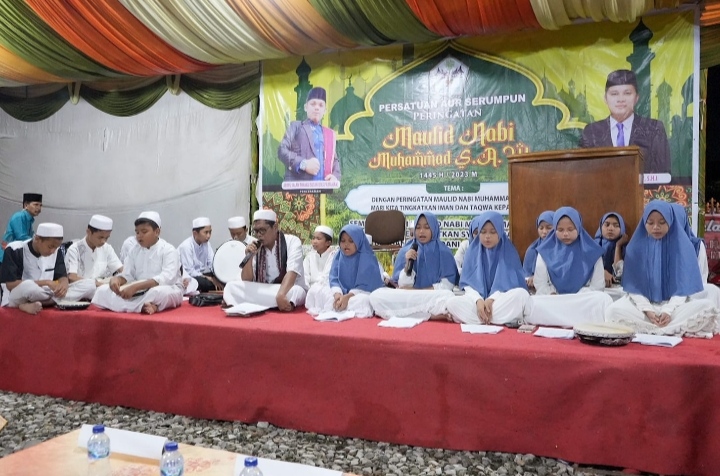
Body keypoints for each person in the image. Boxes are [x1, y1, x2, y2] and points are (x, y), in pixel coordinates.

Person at [605, 200, 717, 336]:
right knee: (613, 311)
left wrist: (668, 310)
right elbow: (634, 288)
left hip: (674, 308)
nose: (656, 227)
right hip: (643, 308)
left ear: (670, 221)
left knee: (707, 307)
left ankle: (653, 328)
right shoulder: (635, 248)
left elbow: (682, 289)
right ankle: (667, 328)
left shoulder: (683, 248)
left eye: (662, 222)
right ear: (644, 222)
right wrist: (648, 310)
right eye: (650, 223)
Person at [525, 207, 613, 327]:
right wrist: (552, 294)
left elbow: (598, 286)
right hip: (554, 301)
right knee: (532, 303)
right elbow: (540, 283)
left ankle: (558, 321)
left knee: (603, 299)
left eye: (570, 229)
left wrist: (577, 297)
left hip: (581, 301)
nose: (565, 234)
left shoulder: (592, 251)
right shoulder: (545, 251)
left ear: (578, 227)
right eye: (560, 230)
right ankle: (575, 320)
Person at [370, 211, 459, 321]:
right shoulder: (406, 250)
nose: (421, 231)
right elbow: (402, 286)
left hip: (431, 296)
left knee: (448, 296)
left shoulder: (444, 252)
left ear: (434, 229)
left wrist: (415, 290)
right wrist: (408, 263)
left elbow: (447, 286)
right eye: (418, 227)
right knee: (376, 296)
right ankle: (430, 315)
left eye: (427, 227)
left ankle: (415, 313)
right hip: (410, 297)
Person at [446, 211, 531, 326]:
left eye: (492, 232)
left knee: (521, 295)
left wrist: (491, 299)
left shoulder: (509, 251)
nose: (487, 236)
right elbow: (468, 285)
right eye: (483, 232)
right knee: (452, 303)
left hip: (498, 302)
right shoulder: (472, 251)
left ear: (500, 231)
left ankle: (481, 318)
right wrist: (478, 300)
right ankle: (490, 318)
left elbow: (511, 284)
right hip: (477, 303)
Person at [579, 69, 670, 175]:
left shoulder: (654, 129)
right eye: (614, 94)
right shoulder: (591, 132)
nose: (620, 99)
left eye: (627, 93)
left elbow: (663, 173)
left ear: (636, 98)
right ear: (605, 98)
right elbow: (583, 173)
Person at [91, 211, 183, 315]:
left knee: (160, 293)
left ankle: (139, 306)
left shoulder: (168, 250)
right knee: (102, 291)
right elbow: (128, 275)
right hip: (137, 293)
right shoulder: (134, 250)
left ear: (157, 232)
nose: (139, 236)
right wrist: (116, 280)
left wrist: (136, 287)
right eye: (137, 232)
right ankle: (143, 306)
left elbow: (167, 278)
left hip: (162, 288)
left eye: (144, 232)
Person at [223, 209, 307, 311]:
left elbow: (292, 272)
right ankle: (273, 302)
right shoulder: (256, 246)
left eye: (262, 230)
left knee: (296, 291)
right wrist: (249, 257)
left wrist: (281, 294)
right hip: (265, 288)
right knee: (231, 286)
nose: (258, 235)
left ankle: (253, 301)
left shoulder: (292, 241)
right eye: (256, 231)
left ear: (275, 227)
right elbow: (246, 280)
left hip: (287, 288)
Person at [306, 225, 384, 317]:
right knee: (317, 290)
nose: (346, 244)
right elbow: (334, 279)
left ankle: (341, 307)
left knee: (363, 300)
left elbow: (366, 285)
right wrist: (337, 294)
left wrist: (348, 297)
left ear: (359, 242)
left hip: (361, 293)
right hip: (341, 292)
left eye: (351, 241)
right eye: (343, 241)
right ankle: (339, 305)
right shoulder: (338, 256)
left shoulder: (367, 258)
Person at [0, 222, 67, 314]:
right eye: (50, 246)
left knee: (85, 286)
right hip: (20, 294)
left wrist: (63, 286)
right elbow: (11, 285)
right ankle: (22, 304)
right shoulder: (15, 249)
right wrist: (46, 282)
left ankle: (36, 302)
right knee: (29, 286)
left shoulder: (56, 251)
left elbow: (62, 276)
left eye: (56, 247)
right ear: (37, 239)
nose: (53, 251)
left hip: (46, 293)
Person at [278, 87, 341, 184]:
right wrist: (304, 164)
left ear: (325, 110)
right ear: (305, 107)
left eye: (321, 105)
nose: (317, 108)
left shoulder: (329, 134)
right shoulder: (296, 126)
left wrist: (335, 176)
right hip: (299, 188)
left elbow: (334, 160)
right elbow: (282, 150)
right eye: (313, 104)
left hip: (323, 188)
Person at [670, 203, 720, 308]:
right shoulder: (655, 245)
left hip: (690, 294)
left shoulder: (696, 246)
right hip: (661, 297)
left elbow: (701, 278)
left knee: (712, 291)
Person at [64, 215, 123, 302]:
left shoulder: (107, 248)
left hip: (101, 288)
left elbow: (121, 270)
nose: (103, 241)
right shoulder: (74, 249)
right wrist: (96, 284)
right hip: (83, 289)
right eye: (100, 237)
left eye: (106, 238)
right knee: (89, 287)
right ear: (88, 232)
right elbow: (72, 278)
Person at [177, 217, 222, 292]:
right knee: (205, 283)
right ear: (195, 233)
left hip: (200, 275)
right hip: (187, 277)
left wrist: (218, 276)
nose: (208, 236)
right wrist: (209, 278)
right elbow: (189, 271)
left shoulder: (207, 244)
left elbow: (212, 263)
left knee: (221, 278)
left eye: (210, 232)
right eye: (206, 232)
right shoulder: (186, 246)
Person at [0, 193, 42, 263]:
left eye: (40, 205)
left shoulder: (29, 219)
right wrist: (39, 244)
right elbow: (22, 237)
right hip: (7, 256)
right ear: (26, 205)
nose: (39, 208)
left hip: (15, 256)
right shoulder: (19, 217)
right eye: (36, 205)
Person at [522, 210, 554, 290]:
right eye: (541, 228)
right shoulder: (532, 249)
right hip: (537, 290)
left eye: (549, 228)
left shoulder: (561, 248)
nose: (544, 231)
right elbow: (525, 274)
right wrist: (531, 278)